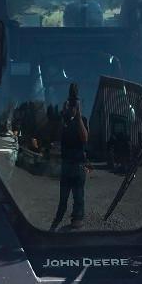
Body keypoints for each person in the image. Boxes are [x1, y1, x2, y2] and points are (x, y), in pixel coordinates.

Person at [50, 83, 89, 231]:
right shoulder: (63, 121)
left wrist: (78, 117)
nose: (73, 108)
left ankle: (77, 218)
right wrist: (63, 116)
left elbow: (85, 138)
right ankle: (59, 216)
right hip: (66, 163)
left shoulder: (83, 120)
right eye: (71, 105)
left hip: (78, 163)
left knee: (78, 195)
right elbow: (56, 137)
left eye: (75, 105)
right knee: (63, 195)